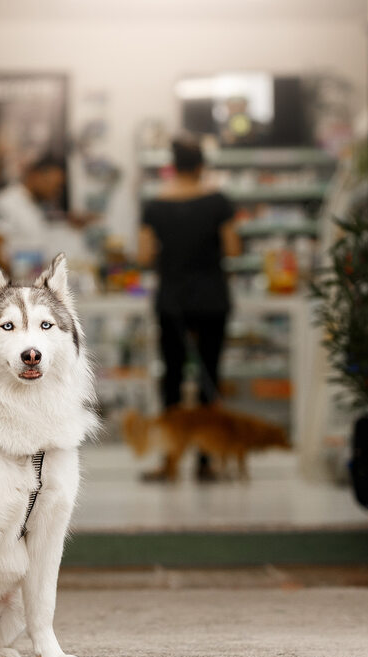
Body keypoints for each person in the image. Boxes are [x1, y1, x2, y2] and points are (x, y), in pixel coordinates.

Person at [137, 137, 242, 481]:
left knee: (172, 379)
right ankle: (207, 461)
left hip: (173, 300)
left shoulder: (155, 206)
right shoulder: (218, 202)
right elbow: (233, 248)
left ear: (173, 165)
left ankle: (169, 461)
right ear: (201, 166)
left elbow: (143, 255)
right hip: (212, 298)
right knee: (209, 376)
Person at [0, 153, 93, 275]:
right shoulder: (7, 202)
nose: (56, 191)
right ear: (35, 175)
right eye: (55, 185)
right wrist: (17, 280)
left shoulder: (33, 206)